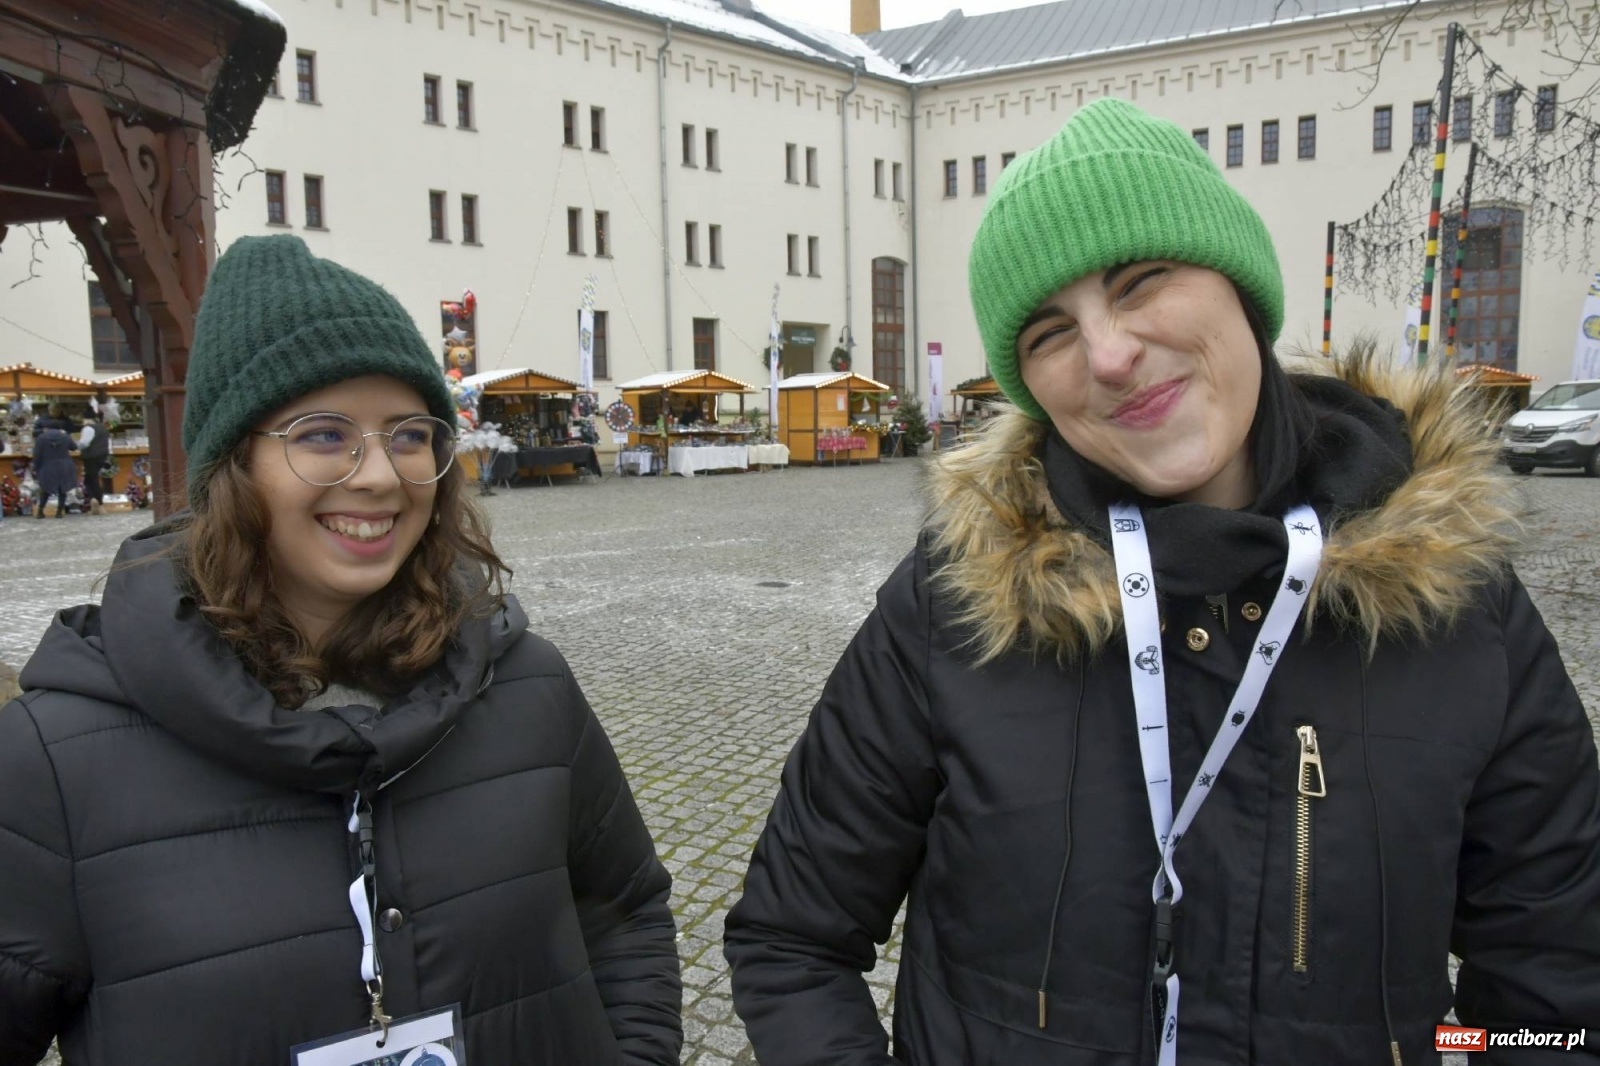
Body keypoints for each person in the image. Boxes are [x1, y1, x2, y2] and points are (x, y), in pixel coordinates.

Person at [723, 99, 1600, 1064]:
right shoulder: (953, 605)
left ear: (1240, 287)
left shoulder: (1459, 604)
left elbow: (1556, 988)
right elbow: (793, 938)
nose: (1108, 357)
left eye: (1141, 281)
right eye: (1050, 333)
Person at [0, 235, 682, 1062]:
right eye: (324, 434)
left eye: (408, 433)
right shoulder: (56, 764)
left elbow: (625, 914)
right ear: (235, 464)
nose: (380, 476)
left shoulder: (528, 691)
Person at [29, 415, 77, 519]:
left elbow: (37, 454)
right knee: (62, 489)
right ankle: (60, 511)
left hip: (48, 466)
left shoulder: (41, 438)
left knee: (45, 489)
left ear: (47, 428)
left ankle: (40, 511)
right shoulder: (65, 436)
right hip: (64, 465)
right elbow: (74, 447)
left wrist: (35, 467)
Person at [77, 407, 110, 514]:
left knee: (91, 481)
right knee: (91, 480)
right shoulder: (102, 427)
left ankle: (98, 504)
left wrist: (74, 446)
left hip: (91, 457)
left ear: (85, 419)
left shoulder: (88, 428)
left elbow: (84, 443)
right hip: (101, 456)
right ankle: (95, 504)